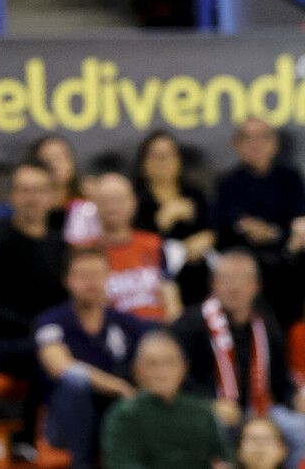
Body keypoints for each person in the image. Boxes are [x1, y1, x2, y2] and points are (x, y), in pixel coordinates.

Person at [172, 251, 305, 467]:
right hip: (209, 411)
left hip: (260, 410)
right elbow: (177, 381)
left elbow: (280, 379)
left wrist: (295, 399)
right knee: (214, 425)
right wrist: (211, 404)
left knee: (301, 430)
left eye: (242, 280)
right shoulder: (189, 325)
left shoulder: (266, 323)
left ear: (256, 286)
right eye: (227, 280)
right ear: (214, 284)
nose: (234, 288)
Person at [34, 247, 151, 467]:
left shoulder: (127, 323)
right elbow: (61, 367)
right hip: (66, 421)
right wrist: (116, 386)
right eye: (83, 276)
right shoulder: (51, 322)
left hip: (116, 414)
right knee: (74, 385)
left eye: (97, 275)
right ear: (67, 280)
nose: (91, 283)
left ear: (109, 277)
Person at [0, 163, 68, 383]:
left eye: (39, 191)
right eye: (24, 191)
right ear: (12, 196)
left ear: (51, 196)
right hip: (6, 341)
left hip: (55, 336)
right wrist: (44, 331)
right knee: (49, 358)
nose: (32, 198)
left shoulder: (61, 245)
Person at [215, 118, 305, 328]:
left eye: (263, 137)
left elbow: (299, 222)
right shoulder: (228, 183)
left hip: (288, 262)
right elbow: (226, 231)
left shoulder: (291, 178)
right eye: (248, 138)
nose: (256, 144)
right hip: (248, 265)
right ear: (237, 144)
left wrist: (272, 233)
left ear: (275, 144)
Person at [100, 331, 231, 468]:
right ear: (137, 370)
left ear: (183, 368)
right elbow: (122, 463)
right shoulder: (124, 415)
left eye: (169, 362)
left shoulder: (202, 412)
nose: (162, 372)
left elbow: (224, 457)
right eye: (152, 364)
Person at [133, 130, 214, 307]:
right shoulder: (136, 199)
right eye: (156, 156)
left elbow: (215, 227)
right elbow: (135, 242)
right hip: (160, 276)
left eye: (169, 155)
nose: (163, 162)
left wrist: (207, 237)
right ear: (143, 164)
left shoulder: (194, 193)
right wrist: (160, 223)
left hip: (200, 270)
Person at [88, 173, 180, 322]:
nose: (112, 207)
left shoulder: (154, 244)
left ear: (133, 203)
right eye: (105, 201)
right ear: (95, 205)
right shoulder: (86, 253)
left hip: (157, 333)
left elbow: (171, 297)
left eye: (118, 200)